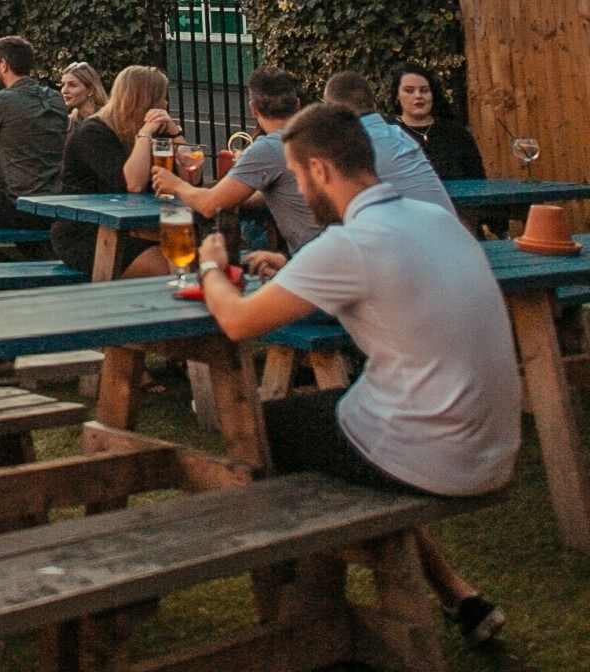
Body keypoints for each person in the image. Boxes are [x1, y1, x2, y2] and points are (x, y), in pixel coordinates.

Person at [192, 102, 515, 647]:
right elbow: (382, 283)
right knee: (339, 430)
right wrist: (292, 270)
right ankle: (456, 594)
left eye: (296, 177)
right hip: (492, 448)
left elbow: (237, 320)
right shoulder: (434, 218)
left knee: (258, 428)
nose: (298, 190)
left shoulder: (349, 245)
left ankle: (303, 608)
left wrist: (208, 263)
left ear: (319, 169)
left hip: (431, 455)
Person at [151, 66, 320, 255]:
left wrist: (174, 184)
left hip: (314, 259)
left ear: (253, 108)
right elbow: (290, 192)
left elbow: (209, 206)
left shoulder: (267, 148)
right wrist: (234, 195)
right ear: (297, 105)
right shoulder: (317, 137)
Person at [47, 65, 177, 278]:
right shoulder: (93, 133)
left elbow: (187, 181)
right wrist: (145, 135)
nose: (165, 104)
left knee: (196, 261)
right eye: (161, 98)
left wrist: (175, 133)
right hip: (89, 232)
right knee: (170, 269)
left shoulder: (149, 129)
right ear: (144, 101)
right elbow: (133, 185)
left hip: (138, 228)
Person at [0, 37, 68, 230]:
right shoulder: (54, 98)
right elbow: (27, 130)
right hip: (58, 203)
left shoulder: (3, 99)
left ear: (3, 64)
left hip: (22, 205)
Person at [324, 71, 457, 216]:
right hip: (446, 226)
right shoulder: (399, 135)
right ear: (374, 104)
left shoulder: (350, 145)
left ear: (331, 111)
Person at [387, 62, 487, 182]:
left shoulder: (455, 132)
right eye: (409, 91)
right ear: (397, 95)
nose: (418, 96)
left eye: (424, 90)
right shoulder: (386, 132)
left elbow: (478, 181)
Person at [58, 61, 107, 125]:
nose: (64, 91)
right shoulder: (68, 123)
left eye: (72, 85)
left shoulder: (109, 120)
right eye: (63, 85)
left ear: (91, 90)